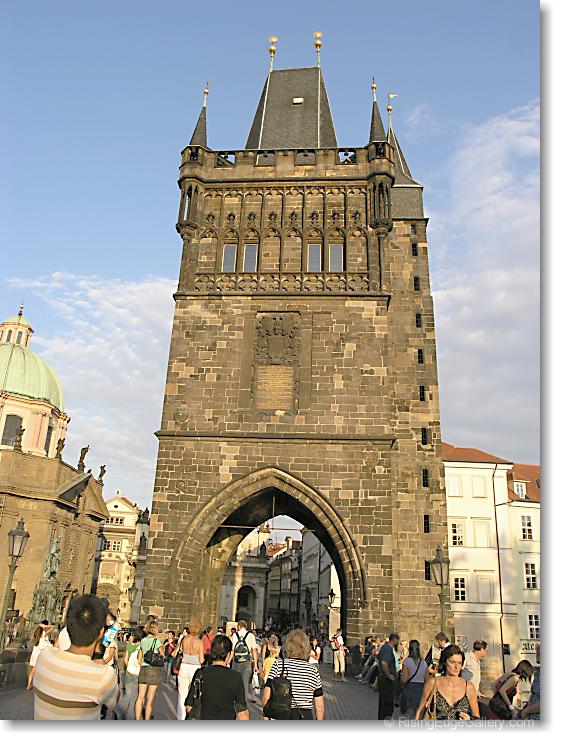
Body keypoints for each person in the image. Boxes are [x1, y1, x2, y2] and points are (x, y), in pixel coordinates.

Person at [33, 594, 119, 720]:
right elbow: (115, 701)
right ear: (101, 633)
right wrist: (99, 651)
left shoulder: (44, 657)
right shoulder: (103, 676)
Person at [262, 629, 324, 720]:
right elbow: (319, 706)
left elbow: (266, 695)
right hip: (304, 716)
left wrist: (266, 717)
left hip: (281, 714)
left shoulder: (279, 664)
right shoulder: (313, 670)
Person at [184, 635, 249, 720]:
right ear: (228, 655)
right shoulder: (236, 677)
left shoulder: (200, 673)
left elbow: (189, 706)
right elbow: (242, 713)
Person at [415, 644, 479, 720]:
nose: (456, 667)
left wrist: (469, 719)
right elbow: (420, 711)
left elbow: (476, 717)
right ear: (445, 662)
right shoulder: (433, 683)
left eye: (459, 663)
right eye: (452, 662)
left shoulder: (468, 687)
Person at [175, 618, 205, 720]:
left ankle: (181, 717)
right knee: (194, 694)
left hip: (183, 666)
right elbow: (201, 660)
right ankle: (191, 717)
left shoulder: (184, 639)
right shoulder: (200, 642)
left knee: (182, 694)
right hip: (195, 668)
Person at [135, 619, 165, 721]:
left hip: (143, 668)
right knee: (149, 700)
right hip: (154, 670)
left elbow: (139, 659)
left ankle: (137, 719)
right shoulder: (157, 641)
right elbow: (162, 656)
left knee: (140, 697)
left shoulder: (143, 641)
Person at [231, 619, 259, 698]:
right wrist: (255, 665)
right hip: (247, 660)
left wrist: (228, 661)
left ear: (239, 626)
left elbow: (232, 650)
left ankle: (234, 699)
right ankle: (244, 701)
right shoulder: (251, 635)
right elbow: (254, 650)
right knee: (245, 682)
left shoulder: (235, 635)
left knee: (235, 681)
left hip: (236, 660)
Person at [400, 640, 428, 718]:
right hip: (421, 689)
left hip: (409, 689)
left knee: (408, 713)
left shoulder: (406, 662)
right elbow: (427, 679)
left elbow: (404, 679)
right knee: (418, 713)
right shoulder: (424, 662)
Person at [377, 633, 400, 719]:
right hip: (387, 680)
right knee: (388, 703)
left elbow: (378, 659)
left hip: (383, 678)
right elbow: (384, 662)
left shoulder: (384, 647)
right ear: (395, 640)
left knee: (384, 703)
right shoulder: (388, 649)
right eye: (398, 640)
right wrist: (388, 675)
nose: (398, 643)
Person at [27, 622, 54, 690]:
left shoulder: (36, 633)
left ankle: (29, 685)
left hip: (35, 654)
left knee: (33, 670)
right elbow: (53, 627)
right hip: (39, 655)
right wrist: (46, 626)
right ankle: (38, 685)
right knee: (41, 670)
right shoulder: (43, 634)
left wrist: (40, 625)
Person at [520, 644, 540, 720]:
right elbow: (533, 694)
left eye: (538, 653)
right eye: (537, 652)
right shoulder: (539, 672)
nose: (536, 655)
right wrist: (526, 712)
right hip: (531, 717)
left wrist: (526, 711)